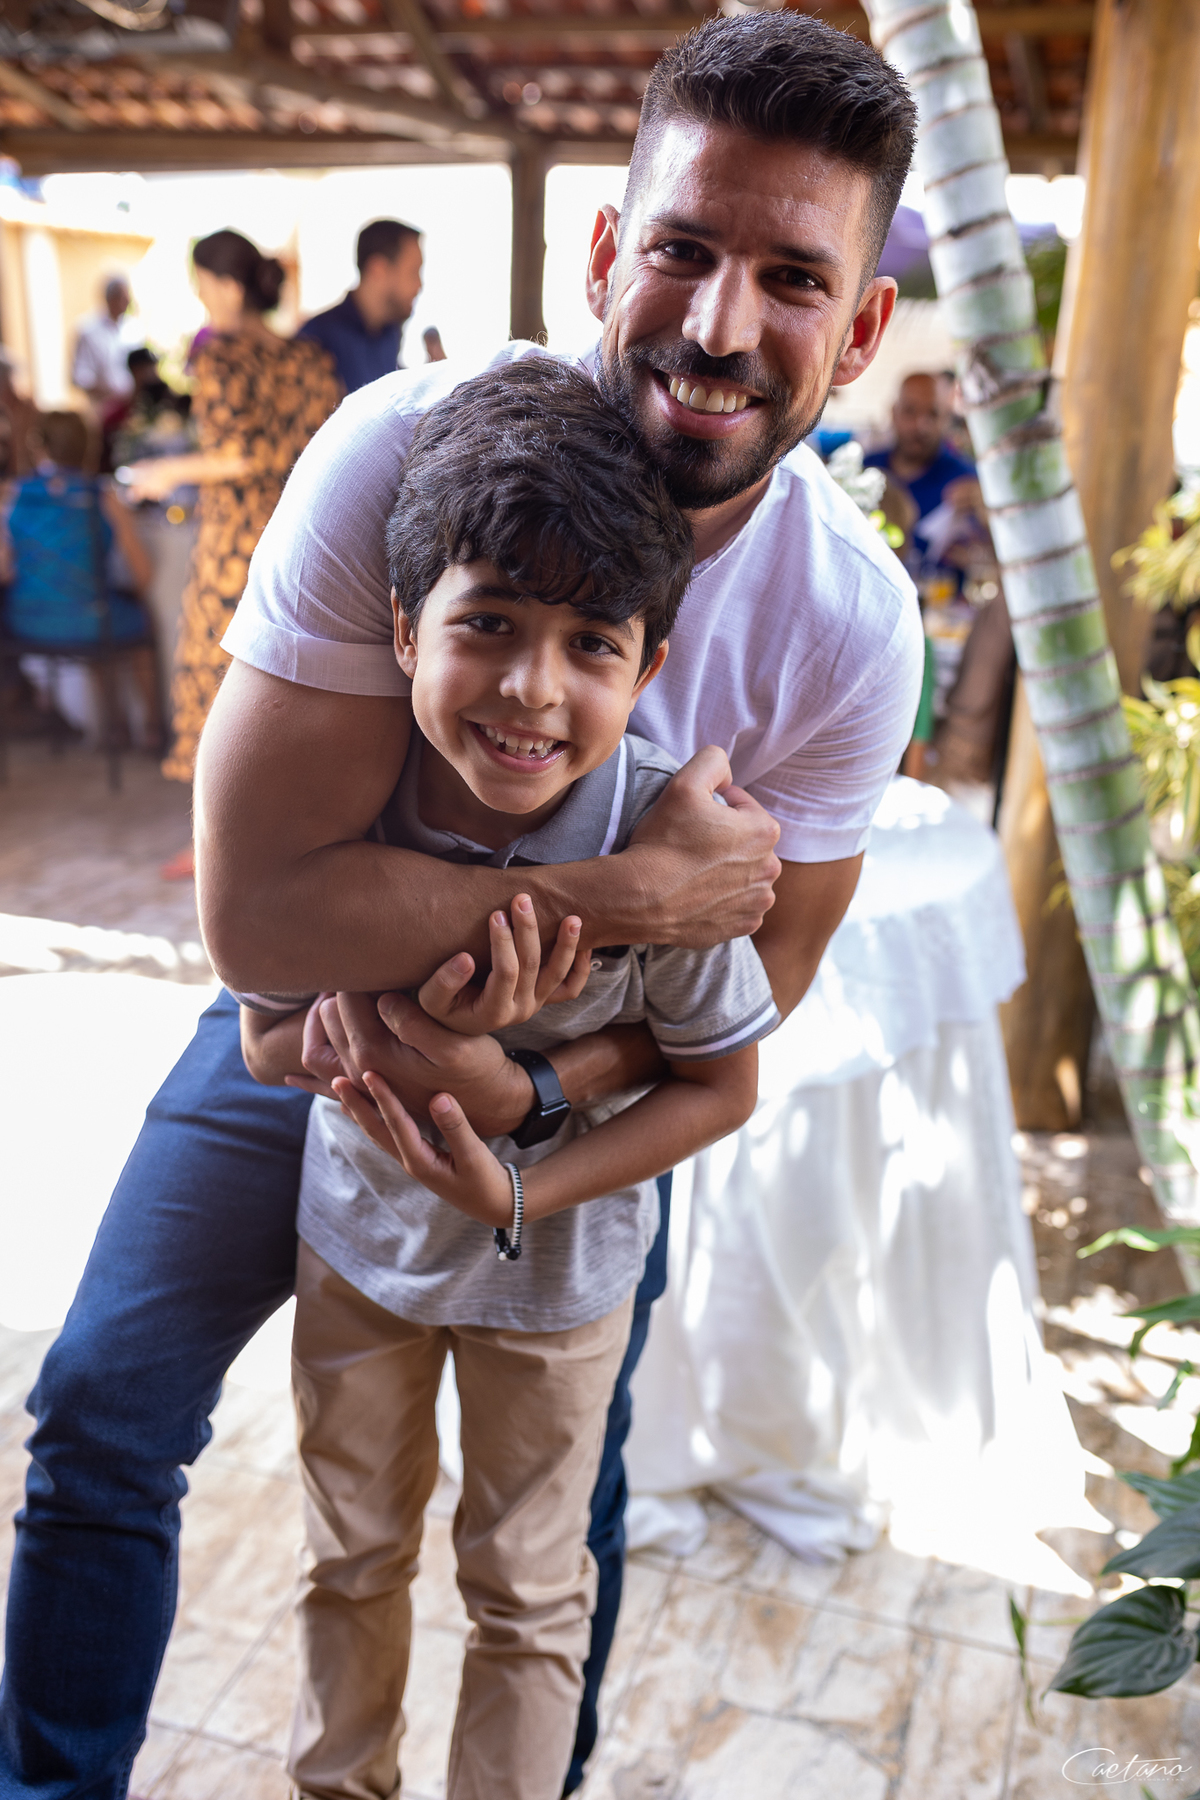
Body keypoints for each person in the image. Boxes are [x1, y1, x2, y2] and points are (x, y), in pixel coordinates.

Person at [0, 15, 924, 1799]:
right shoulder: (402, 455)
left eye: (794, 277)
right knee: (107, 1404)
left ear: (864, 325)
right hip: (321, 1020)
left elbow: (759, 994)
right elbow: (260, 920)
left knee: (559, 1525)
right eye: (684, 249)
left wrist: (537, 1096)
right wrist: (622, 890)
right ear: (606, 253)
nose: (721, 323)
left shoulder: (848, 625)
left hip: (566, 1096)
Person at [240, 357, 779, 1798]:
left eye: (591, 643)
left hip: (560, 1284)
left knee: (528, 1593)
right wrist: (360, 1038)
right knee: (349, 1554)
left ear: (647, 668)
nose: (532, 689)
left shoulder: (668, 838)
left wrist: (523, 1181)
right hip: (359, 1252)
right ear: (404, 626)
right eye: (486, 624)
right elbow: (260, 1036)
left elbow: (722, 1084)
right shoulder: (344, 809)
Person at [123, 229, 341, 871]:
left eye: (201, 287)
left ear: (224, 286)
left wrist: (167, 471)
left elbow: (237, 454)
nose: (202, 301)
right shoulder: (308, 358)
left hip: (234, 545)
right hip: (301, 538)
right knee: (287, 684)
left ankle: (215, 845)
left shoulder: (221, 358)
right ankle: (287, 833)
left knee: (215, 683)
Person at [3, 410, 162, 752]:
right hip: (91, 620)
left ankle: (115, 726)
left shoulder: (14, 495)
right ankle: (151, 727)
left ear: (39, 447)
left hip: (25, 625)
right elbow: (142, 575)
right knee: (133, 614)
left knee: (99, 612)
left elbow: (5, 570)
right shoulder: (102, 496)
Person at [863, 369, 982, 575]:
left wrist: (985, 514)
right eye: (910, 411)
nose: (921, 426)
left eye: (933, 414)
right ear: (893, 413)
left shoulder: (967, 482)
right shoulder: (864, 472)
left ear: (947, 419)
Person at [298, 218, 426, 394]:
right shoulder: (317, 339)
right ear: (378, 269)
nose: (419, 285)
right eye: (413, 272)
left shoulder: (391, 334)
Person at [71, 277, 140, 417]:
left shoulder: (133, 328)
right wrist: (112, 397)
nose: (128, 301)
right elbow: (81, 377)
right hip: (102, 411)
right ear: (110, 299)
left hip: (132, 408)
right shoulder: (88, 330)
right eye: (123, 297)